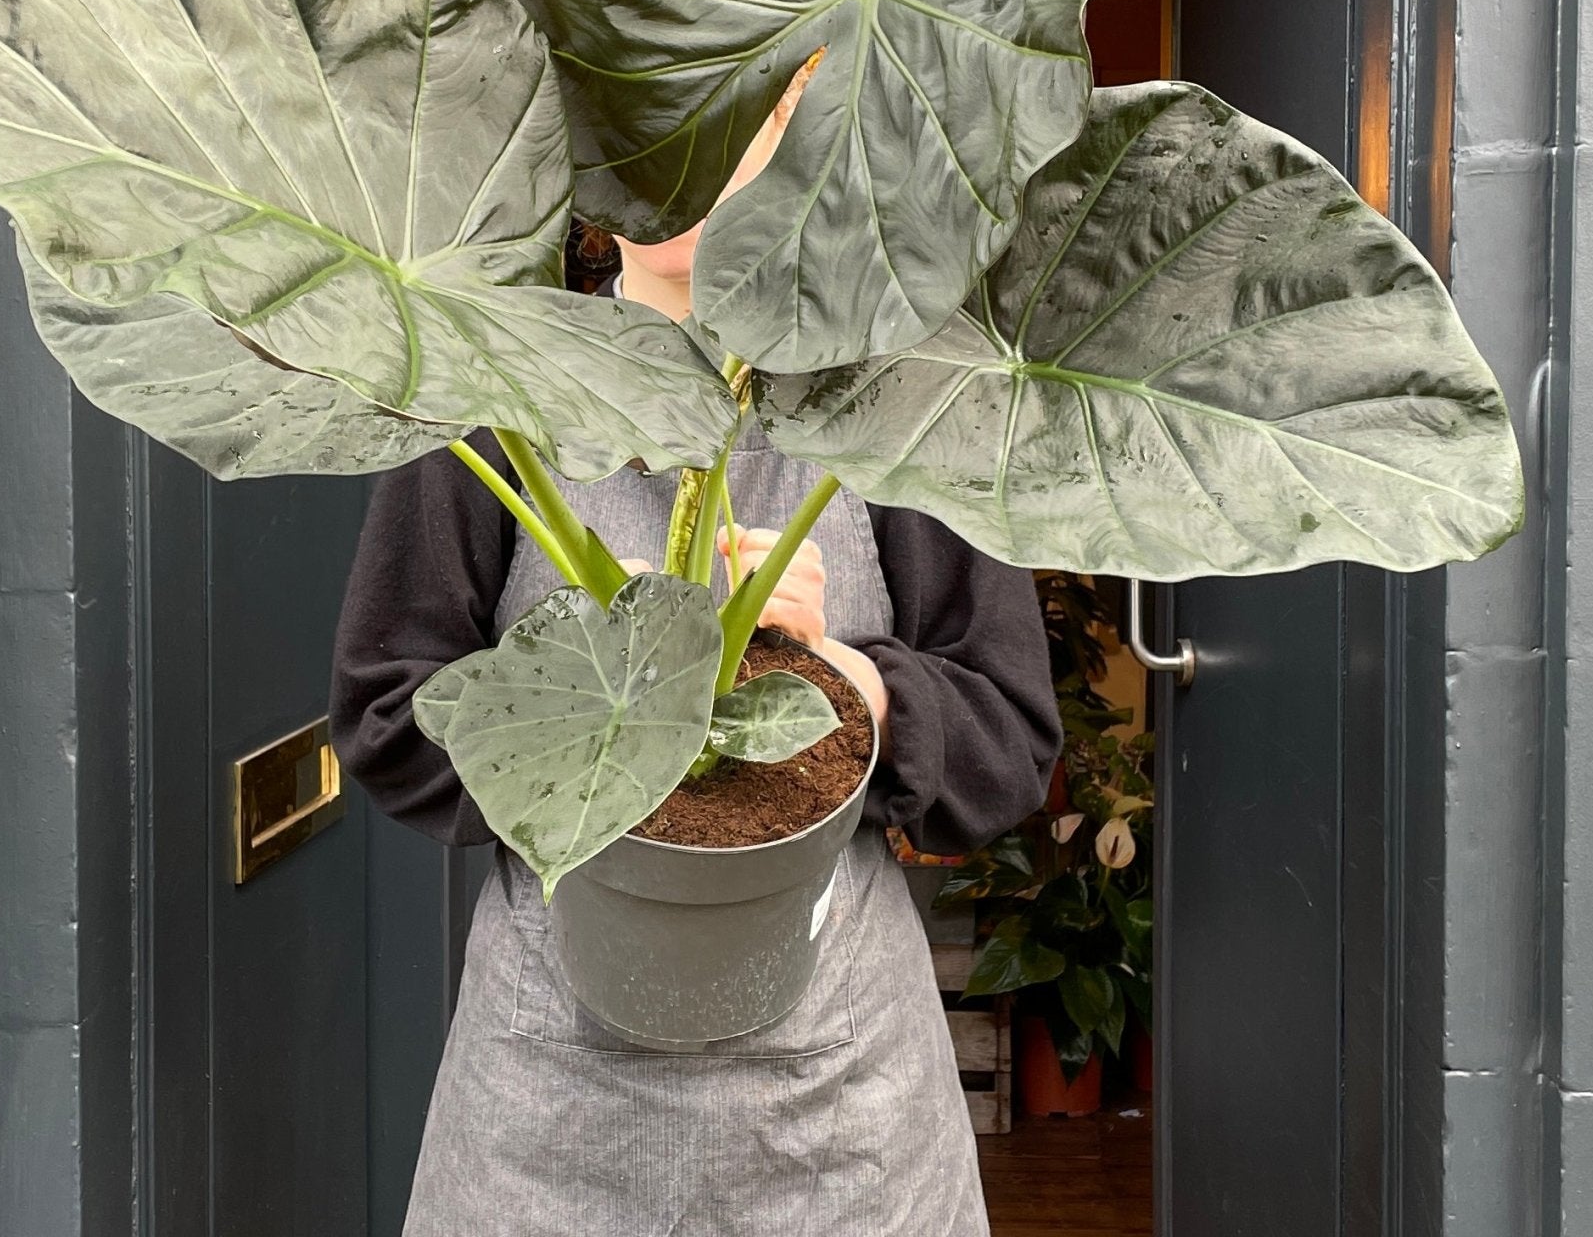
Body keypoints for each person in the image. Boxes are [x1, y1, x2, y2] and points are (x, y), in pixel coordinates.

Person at [330, 84, 1062, 1236]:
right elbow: (384, 711)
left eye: (715, 131)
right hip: (551, 1107)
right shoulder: (495, 391)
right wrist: (584, 689)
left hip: (836, 1111)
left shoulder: (899, 390)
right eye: (636, 132)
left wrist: (837, 673)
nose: (668, 174)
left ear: (786, 144)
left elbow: (1008, 734)